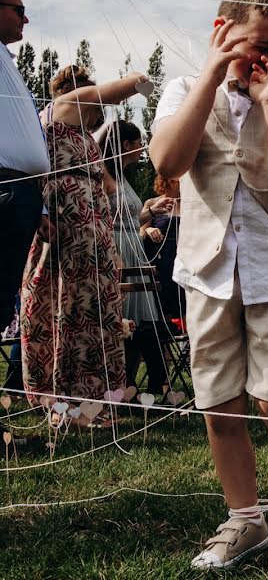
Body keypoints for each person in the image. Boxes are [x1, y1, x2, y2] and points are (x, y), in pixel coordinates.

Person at [148, 0, 268, 575]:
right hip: (206, 270)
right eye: (259, 44)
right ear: (223, 30)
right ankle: (245, 518)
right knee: (220, 405)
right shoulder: (182, 90)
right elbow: (169, 163)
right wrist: (210, 75)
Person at [20, 64, 146, 422]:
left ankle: (95, 398)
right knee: (74, 305)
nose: (95, 113)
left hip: (92, 229)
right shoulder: (61, 108)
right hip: (72, 228)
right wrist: (138, 82)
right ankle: (70, 400)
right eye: (91, 107)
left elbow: (108, 186)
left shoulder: (82, 137)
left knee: (97, 309)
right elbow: (106, 93)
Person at [0, 0, 51, 333]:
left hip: (21, 197)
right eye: (19, 10)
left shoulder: (6, 60)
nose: (26, 19)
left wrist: (41, 206)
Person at [103, 120, 167, 396]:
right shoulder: (105, 175)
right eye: (139, 143)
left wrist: (152, 212)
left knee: (140, 319)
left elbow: (129, 220)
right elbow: (110, 220)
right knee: (125, 318)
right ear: (126, 145)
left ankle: (139, 382)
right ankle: (128, 383)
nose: (142, 149)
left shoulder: (124, 177)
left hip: (131, 246)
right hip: (118, 250)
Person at [141, 176, 185, 322]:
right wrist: (150, 230)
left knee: (184, 299)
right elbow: (141, 230)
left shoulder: (189, 203)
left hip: (183, 258)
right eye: (177, 180)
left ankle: (186, 339)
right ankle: (165, 336)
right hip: (161, 259)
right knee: (163, 300)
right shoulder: (152, 202)